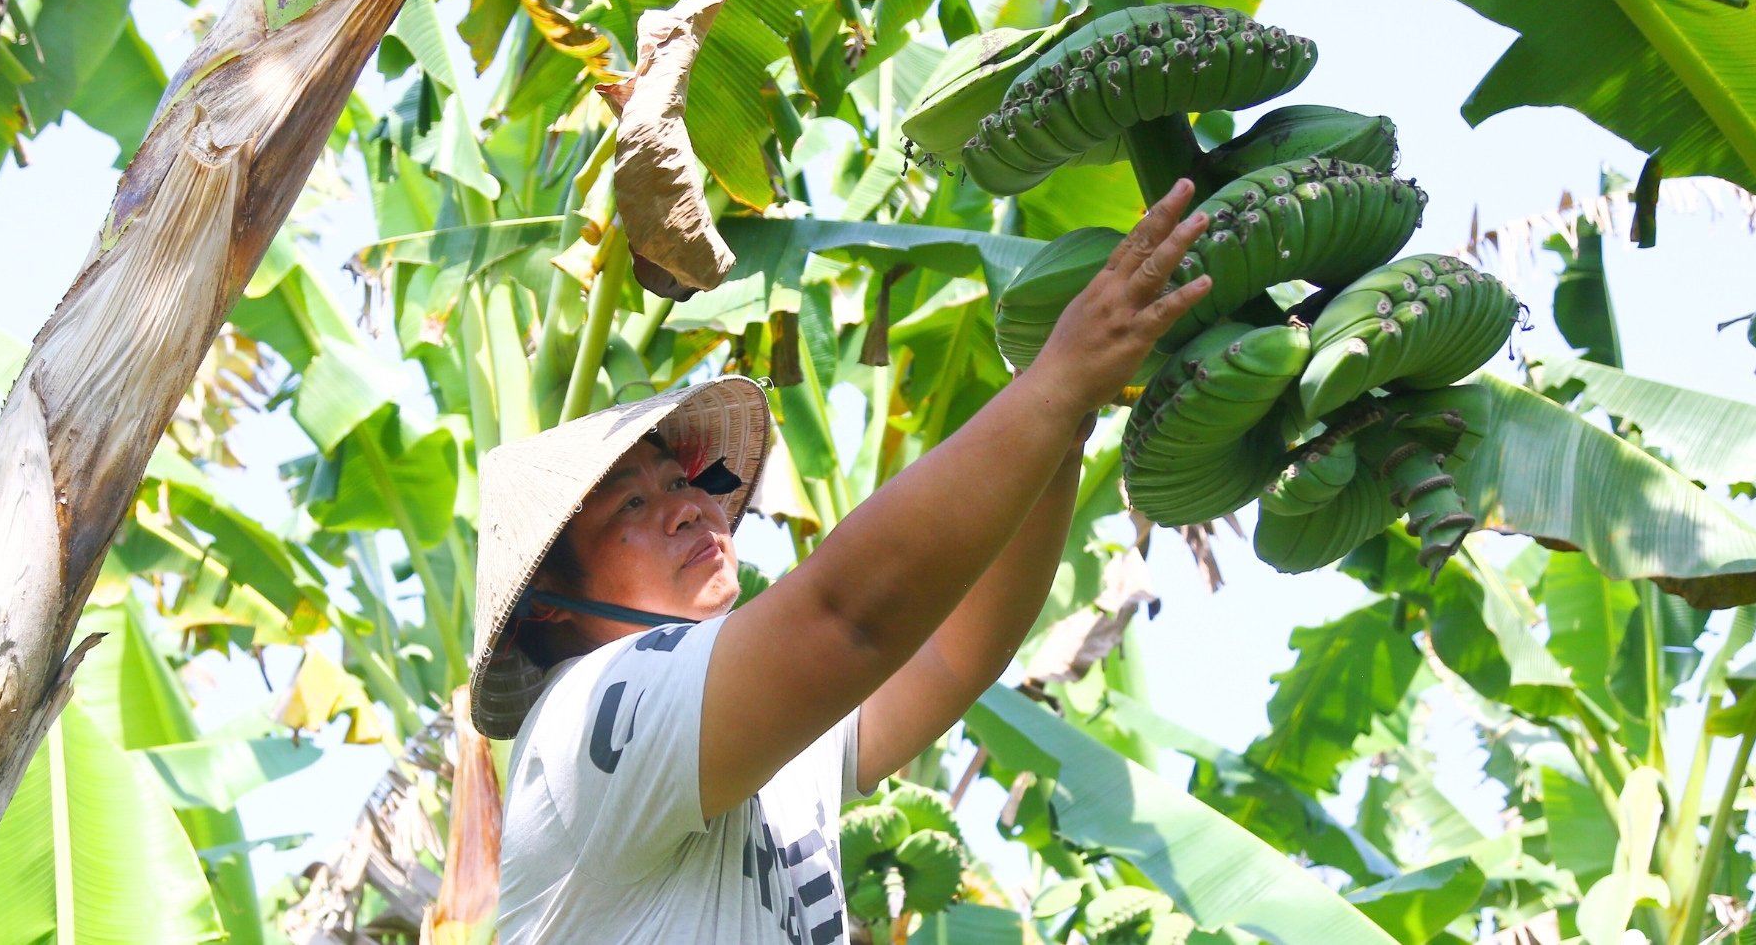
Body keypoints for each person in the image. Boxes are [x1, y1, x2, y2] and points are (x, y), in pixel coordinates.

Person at [468, 181, 1215, 944]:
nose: (690, 505)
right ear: (549, 598)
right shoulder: (593, 708)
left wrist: (1065, 433)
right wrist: (1055, 385)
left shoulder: (764, 736)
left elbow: (956, 658)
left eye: (681, 480)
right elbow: (846, 620)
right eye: (632, 505)